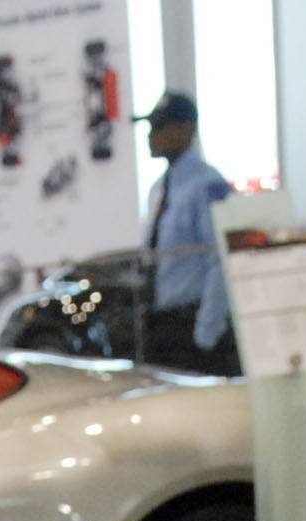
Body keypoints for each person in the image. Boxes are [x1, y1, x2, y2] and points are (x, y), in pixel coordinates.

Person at [136, 89, 238, 377]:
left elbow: (221, 262)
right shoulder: (159, 189)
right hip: (162, 325)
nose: (151, 136)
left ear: (186, 129)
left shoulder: (208, 185)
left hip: (192, 325)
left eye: (159, 127)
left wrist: (206, 333)